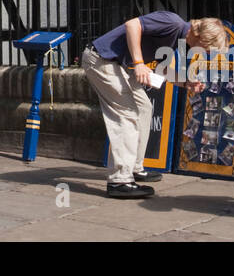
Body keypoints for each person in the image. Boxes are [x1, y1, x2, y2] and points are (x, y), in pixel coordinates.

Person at [83, 12, 226, 199]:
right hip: (101, 60)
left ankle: (134, 167)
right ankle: (119, 181)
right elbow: (132, 24)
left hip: (120, 65)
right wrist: (140, 63)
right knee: (127, 114)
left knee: (144, 108)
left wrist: (186, 83)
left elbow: (162, 69)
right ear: (201, 38)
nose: (204, 55)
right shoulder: (172, 22)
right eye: (207, 50)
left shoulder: (178, 39)